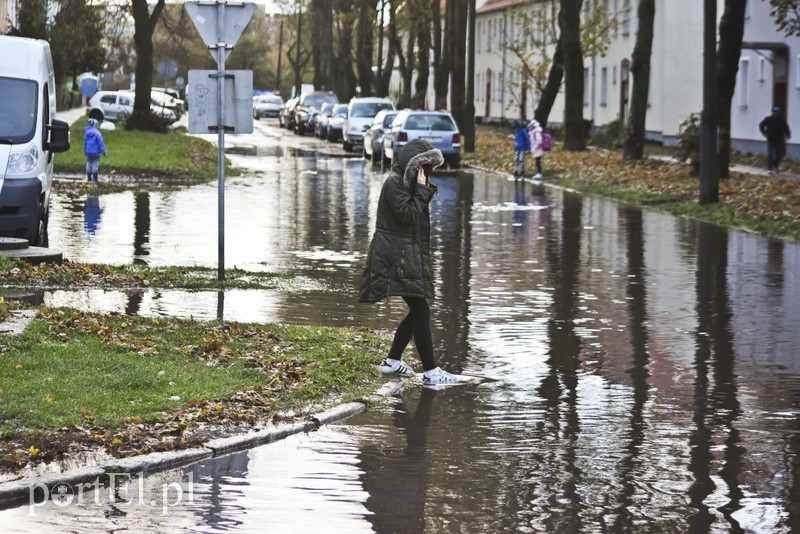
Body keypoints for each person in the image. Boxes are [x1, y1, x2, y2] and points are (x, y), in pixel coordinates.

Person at [359, 138, 459, 387]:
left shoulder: (406, 182)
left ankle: (393, 361)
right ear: (415, 165)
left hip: (402, 255)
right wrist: (423, 189)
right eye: (425, 167)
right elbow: (407, 215)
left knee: (418, 310)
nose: (428, 173)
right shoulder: (396, 183)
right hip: (396, 256)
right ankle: (431, 371)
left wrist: (421, 189)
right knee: (421, 310)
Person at [759, 106, 791, 175]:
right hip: (770, 139)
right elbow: (761, 125)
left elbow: (786, 128)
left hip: (778, 140)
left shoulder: (782, 120)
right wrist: (764, 133)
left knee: (778, 155)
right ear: (772, 112)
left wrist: (788, 135)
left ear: (779, 113)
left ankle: (775, 166)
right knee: (770, 154)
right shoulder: (768, 119)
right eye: (774, 112)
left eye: (777, 112)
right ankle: (769, 168)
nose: (776, 114)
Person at [83, 117, 107, 183]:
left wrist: (85, 151)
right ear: (95, 125)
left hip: (88, 152)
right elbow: (101, 144)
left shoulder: (86, 133)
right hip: (96, 153)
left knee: (89, 163)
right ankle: (95, 178)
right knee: (95, 164)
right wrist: (104, 152)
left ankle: (88, 177)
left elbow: (85, 143)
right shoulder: (97, 133)